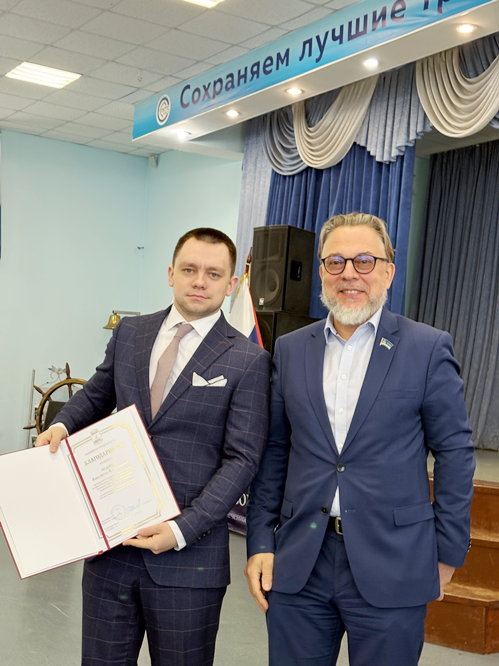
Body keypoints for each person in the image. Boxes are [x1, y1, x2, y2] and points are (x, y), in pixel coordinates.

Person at [245, 213, 475, 666]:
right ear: (322, 272)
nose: (349, 273)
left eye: (365, 261)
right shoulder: (290, 349)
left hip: (394, 562)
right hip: (300, 563)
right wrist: (261, 542)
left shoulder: (427, 348)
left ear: (388, 272)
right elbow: (274, 452)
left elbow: (455, 453)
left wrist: (447, 553)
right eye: (336, 261)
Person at [36, 227, 270, 666]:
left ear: (231, 284)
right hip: (112, 552)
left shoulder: (249, 359)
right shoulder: (131, 332)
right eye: (189, 269)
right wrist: (62, 425)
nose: (199, 281)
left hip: (190, 561)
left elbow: (242, 460)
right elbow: (97, 393)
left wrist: (181, 530)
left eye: (214, 273)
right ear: (170, 273)